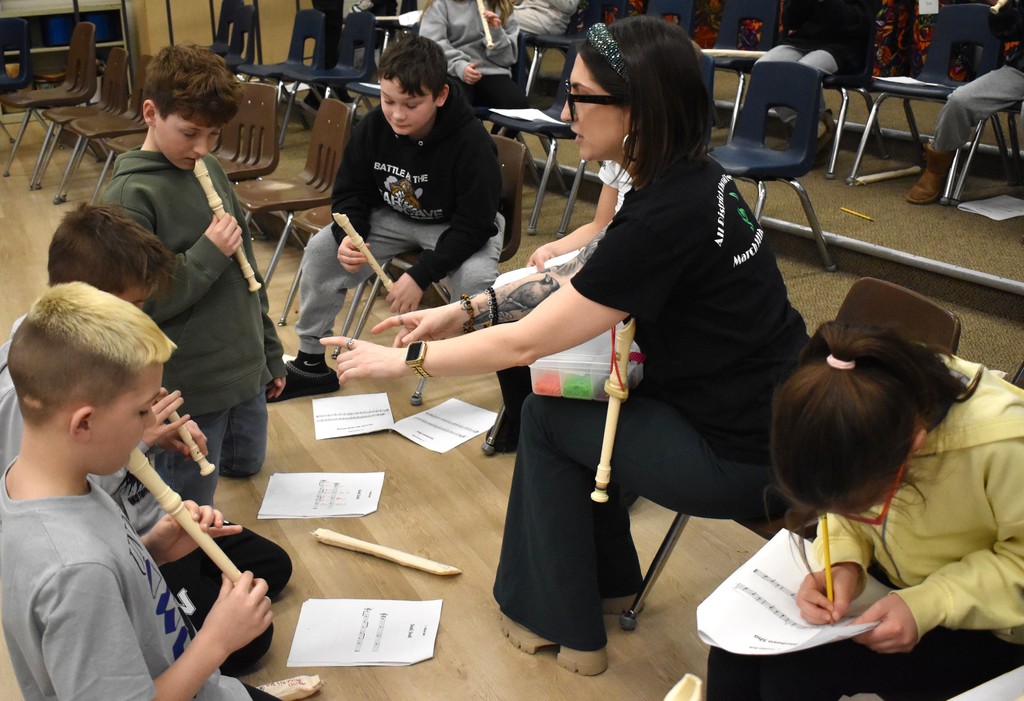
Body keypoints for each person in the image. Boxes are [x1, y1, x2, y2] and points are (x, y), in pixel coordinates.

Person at [321, 16, 808, 674]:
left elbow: (526, 342)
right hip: (770, 421)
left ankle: (561, 623)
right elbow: (584, 278)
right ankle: (608, 586)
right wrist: (464, 310)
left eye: (579, 97)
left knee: (547, 419)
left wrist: (407, 360)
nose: (565, 112)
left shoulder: (664, 215)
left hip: (746, 455)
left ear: (637, 111)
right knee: (573, 405)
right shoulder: (688, 179)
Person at [0, 204, 291, 675]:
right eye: (134, 305)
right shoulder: (34, 392)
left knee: (270, 566)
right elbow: (58, 489)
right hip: (124, 547)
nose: (143, 315)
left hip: (140, 533)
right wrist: (142, 438)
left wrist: (146, 438)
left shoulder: (94, 360)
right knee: (250, 640)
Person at [706, 321, 1024, 700]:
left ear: (914, 446)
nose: (847, 514)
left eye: (862, 508)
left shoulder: (1004, 445)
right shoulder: (862, 407)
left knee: (793, 679)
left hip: (990, 620)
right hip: (900, 580)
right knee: (733, 652)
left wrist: (928, 604)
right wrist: (844, 562)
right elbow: (846, 499)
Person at [102, 44, 287, 507]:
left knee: (247, 463)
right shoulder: (130, 196)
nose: (202, 148)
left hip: (244, 366)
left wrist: (269, 350)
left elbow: (248, 274)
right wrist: (208, 253)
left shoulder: (210, 167)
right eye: (189, 133)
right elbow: (138, 304)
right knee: (192, 501)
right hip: (192, 384)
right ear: (151, 113)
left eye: (213, 134)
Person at [273, 35, 504, 402]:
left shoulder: (471, 142)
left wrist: (420, 275)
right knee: (321, 250)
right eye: (388, 100)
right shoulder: (373, 126)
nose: (396, 114)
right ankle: (311, 362)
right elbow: (350, 192)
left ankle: (474, 371)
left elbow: (475, 224)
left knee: (476, 280)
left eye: (411, 105)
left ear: (441, 95)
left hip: (457, 225)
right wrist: (350, 236)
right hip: (392, 216)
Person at [490, 161, 631, 453]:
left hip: (620, 265)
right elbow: (600, 224)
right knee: (506, 285)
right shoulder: (616, 160)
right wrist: (554, 248)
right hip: (603, 251)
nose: (575, 139)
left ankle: (548, 421)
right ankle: (521, 415)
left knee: (535, 304)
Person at [907, 0, 1024, 204]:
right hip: (1020, 71)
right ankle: (936, 170)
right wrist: (1005, 10)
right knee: (959, 101)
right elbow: (1008, 32)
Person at [753, 0, 878, 148]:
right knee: (763, 69)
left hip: (843, 46)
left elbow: (861, 23)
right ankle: (817, 127)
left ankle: (807, 135)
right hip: (803, 40)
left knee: (802, 73)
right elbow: (790, 21)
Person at [419, 0, 530, 110]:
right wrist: (459, 66)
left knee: (518, 104)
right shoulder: (440, 4)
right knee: (455, 102)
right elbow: (433, 47)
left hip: (491, 71)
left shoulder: (501, 6)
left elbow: (508, 59)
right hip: (452, 71)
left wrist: (496, 34)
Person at [513, 0, 580, 36]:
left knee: (507, 19)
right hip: (526, 10)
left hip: (548, 19)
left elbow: (569, 6)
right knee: (507, 15)